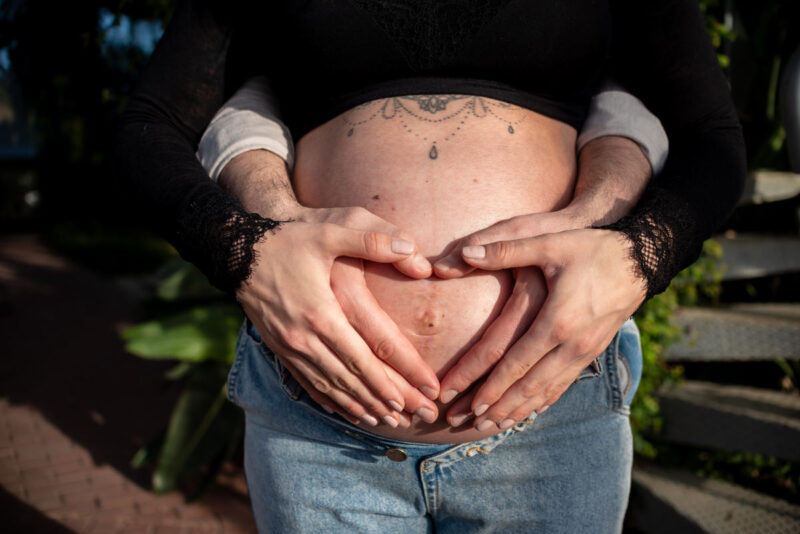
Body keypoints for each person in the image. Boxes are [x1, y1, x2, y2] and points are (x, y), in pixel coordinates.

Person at [113, 1, 746, 532]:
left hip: (555, 418)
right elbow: (152, 123)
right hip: (316, 427)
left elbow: (711, 138)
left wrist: (634, 260)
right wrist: (246, 255)